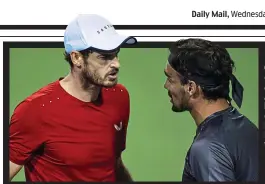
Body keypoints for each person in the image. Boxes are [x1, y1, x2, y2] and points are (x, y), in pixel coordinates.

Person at [9, 14, 137, 182]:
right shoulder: (35, 110)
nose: (116, 64)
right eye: (104, 57)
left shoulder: (119, 97)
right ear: (76, 58)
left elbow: (113, 163)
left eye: (115, 54)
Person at [163, 38, 258, 182]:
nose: (165, 86)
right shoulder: (248, 127)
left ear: (191, 88)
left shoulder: (206, 148)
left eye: (170, 79)